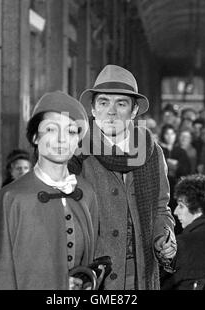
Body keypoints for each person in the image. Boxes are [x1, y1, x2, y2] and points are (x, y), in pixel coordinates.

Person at [0, 92, 99, 290]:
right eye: (51, 129)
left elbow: (92, 257)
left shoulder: (86, 193)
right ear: (34, 137)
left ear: (78, 142)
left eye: (71, 132)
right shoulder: (12, 198)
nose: (62, 139)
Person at [69, 65, 176, 290]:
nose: (111, 111)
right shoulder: (76, 152)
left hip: (141, 271)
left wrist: (163, 237)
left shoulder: (151, 151)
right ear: (93, 108)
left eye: (121, 103)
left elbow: (160, 207)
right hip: (95, 275)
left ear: (134, 110)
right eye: (104, 102)